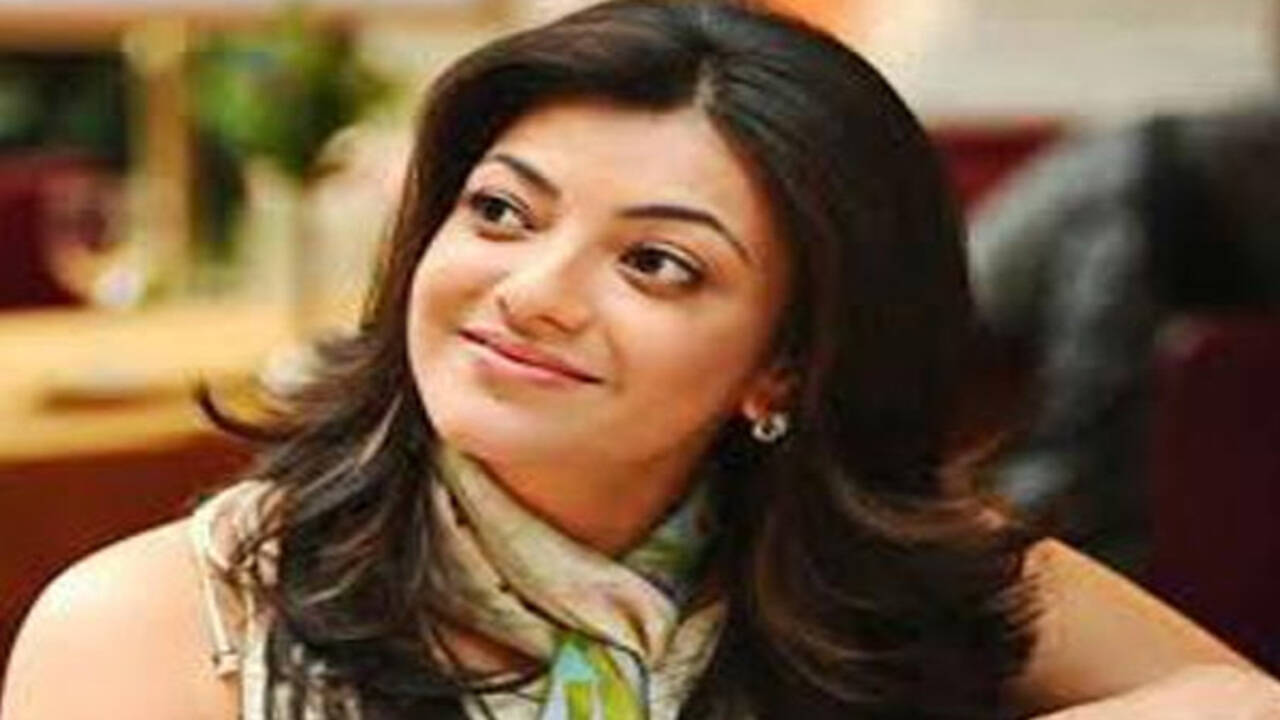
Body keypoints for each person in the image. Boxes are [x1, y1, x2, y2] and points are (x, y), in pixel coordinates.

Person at [4, 2, 1278, 719]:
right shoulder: (165, 629)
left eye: (656, 264)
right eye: (501, 212)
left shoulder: (882, 575)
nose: (530, 293)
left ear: (782, 367)